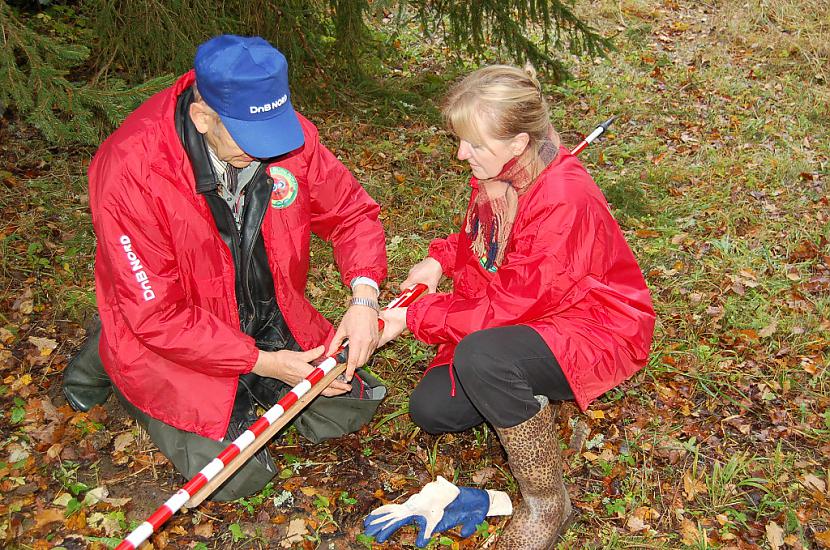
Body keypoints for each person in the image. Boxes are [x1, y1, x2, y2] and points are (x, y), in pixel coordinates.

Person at [62, 35, 388, 500]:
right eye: (252, 140)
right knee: (236, 478)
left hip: (263, 310)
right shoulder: (131, 169)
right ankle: (113, 351)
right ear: (202, 117)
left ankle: (146, 346)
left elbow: (353, 214)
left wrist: (363, 297)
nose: (268, 152)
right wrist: (266, 364)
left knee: (350, 410)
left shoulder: (284, 134)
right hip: (175, 331)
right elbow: (158, 314)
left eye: (276, 132)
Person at [378, 65, 655, 548]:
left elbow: (508, 303)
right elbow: (481, 244)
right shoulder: (501, 175)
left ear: (520, 142)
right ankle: (531, 399)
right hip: (533, 311)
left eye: (474, 144)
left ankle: (548, 503)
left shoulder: (562, 198)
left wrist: (413, 316)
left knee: (482, 358)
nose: (461, 153)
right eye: (461, 140)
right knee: (433, 410)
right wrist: (436, 261)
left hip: (594, 323)